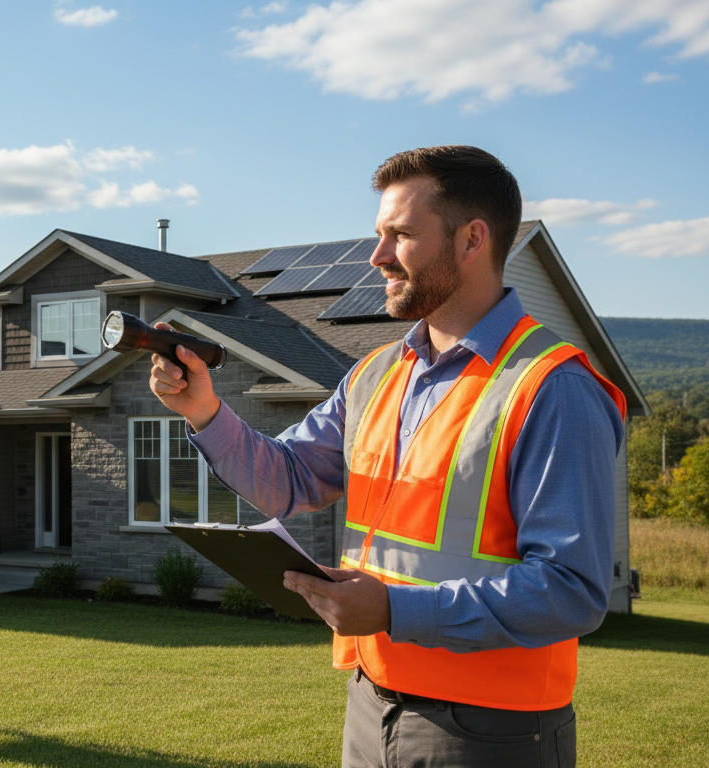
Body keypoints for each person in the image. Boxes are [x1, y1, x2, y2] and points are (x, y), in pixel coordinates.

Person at [148, 145, 626, 768]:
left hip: (492, 730)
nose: (375, 257)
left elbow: (572, 590)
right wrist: (205, 412)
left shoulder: (551, 387)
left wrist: (396, 608)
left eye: (400, 235)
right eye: (380, 234)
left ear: (472, 240)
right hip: (372, 701)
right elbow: (288, 481)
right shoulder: (375, 375)